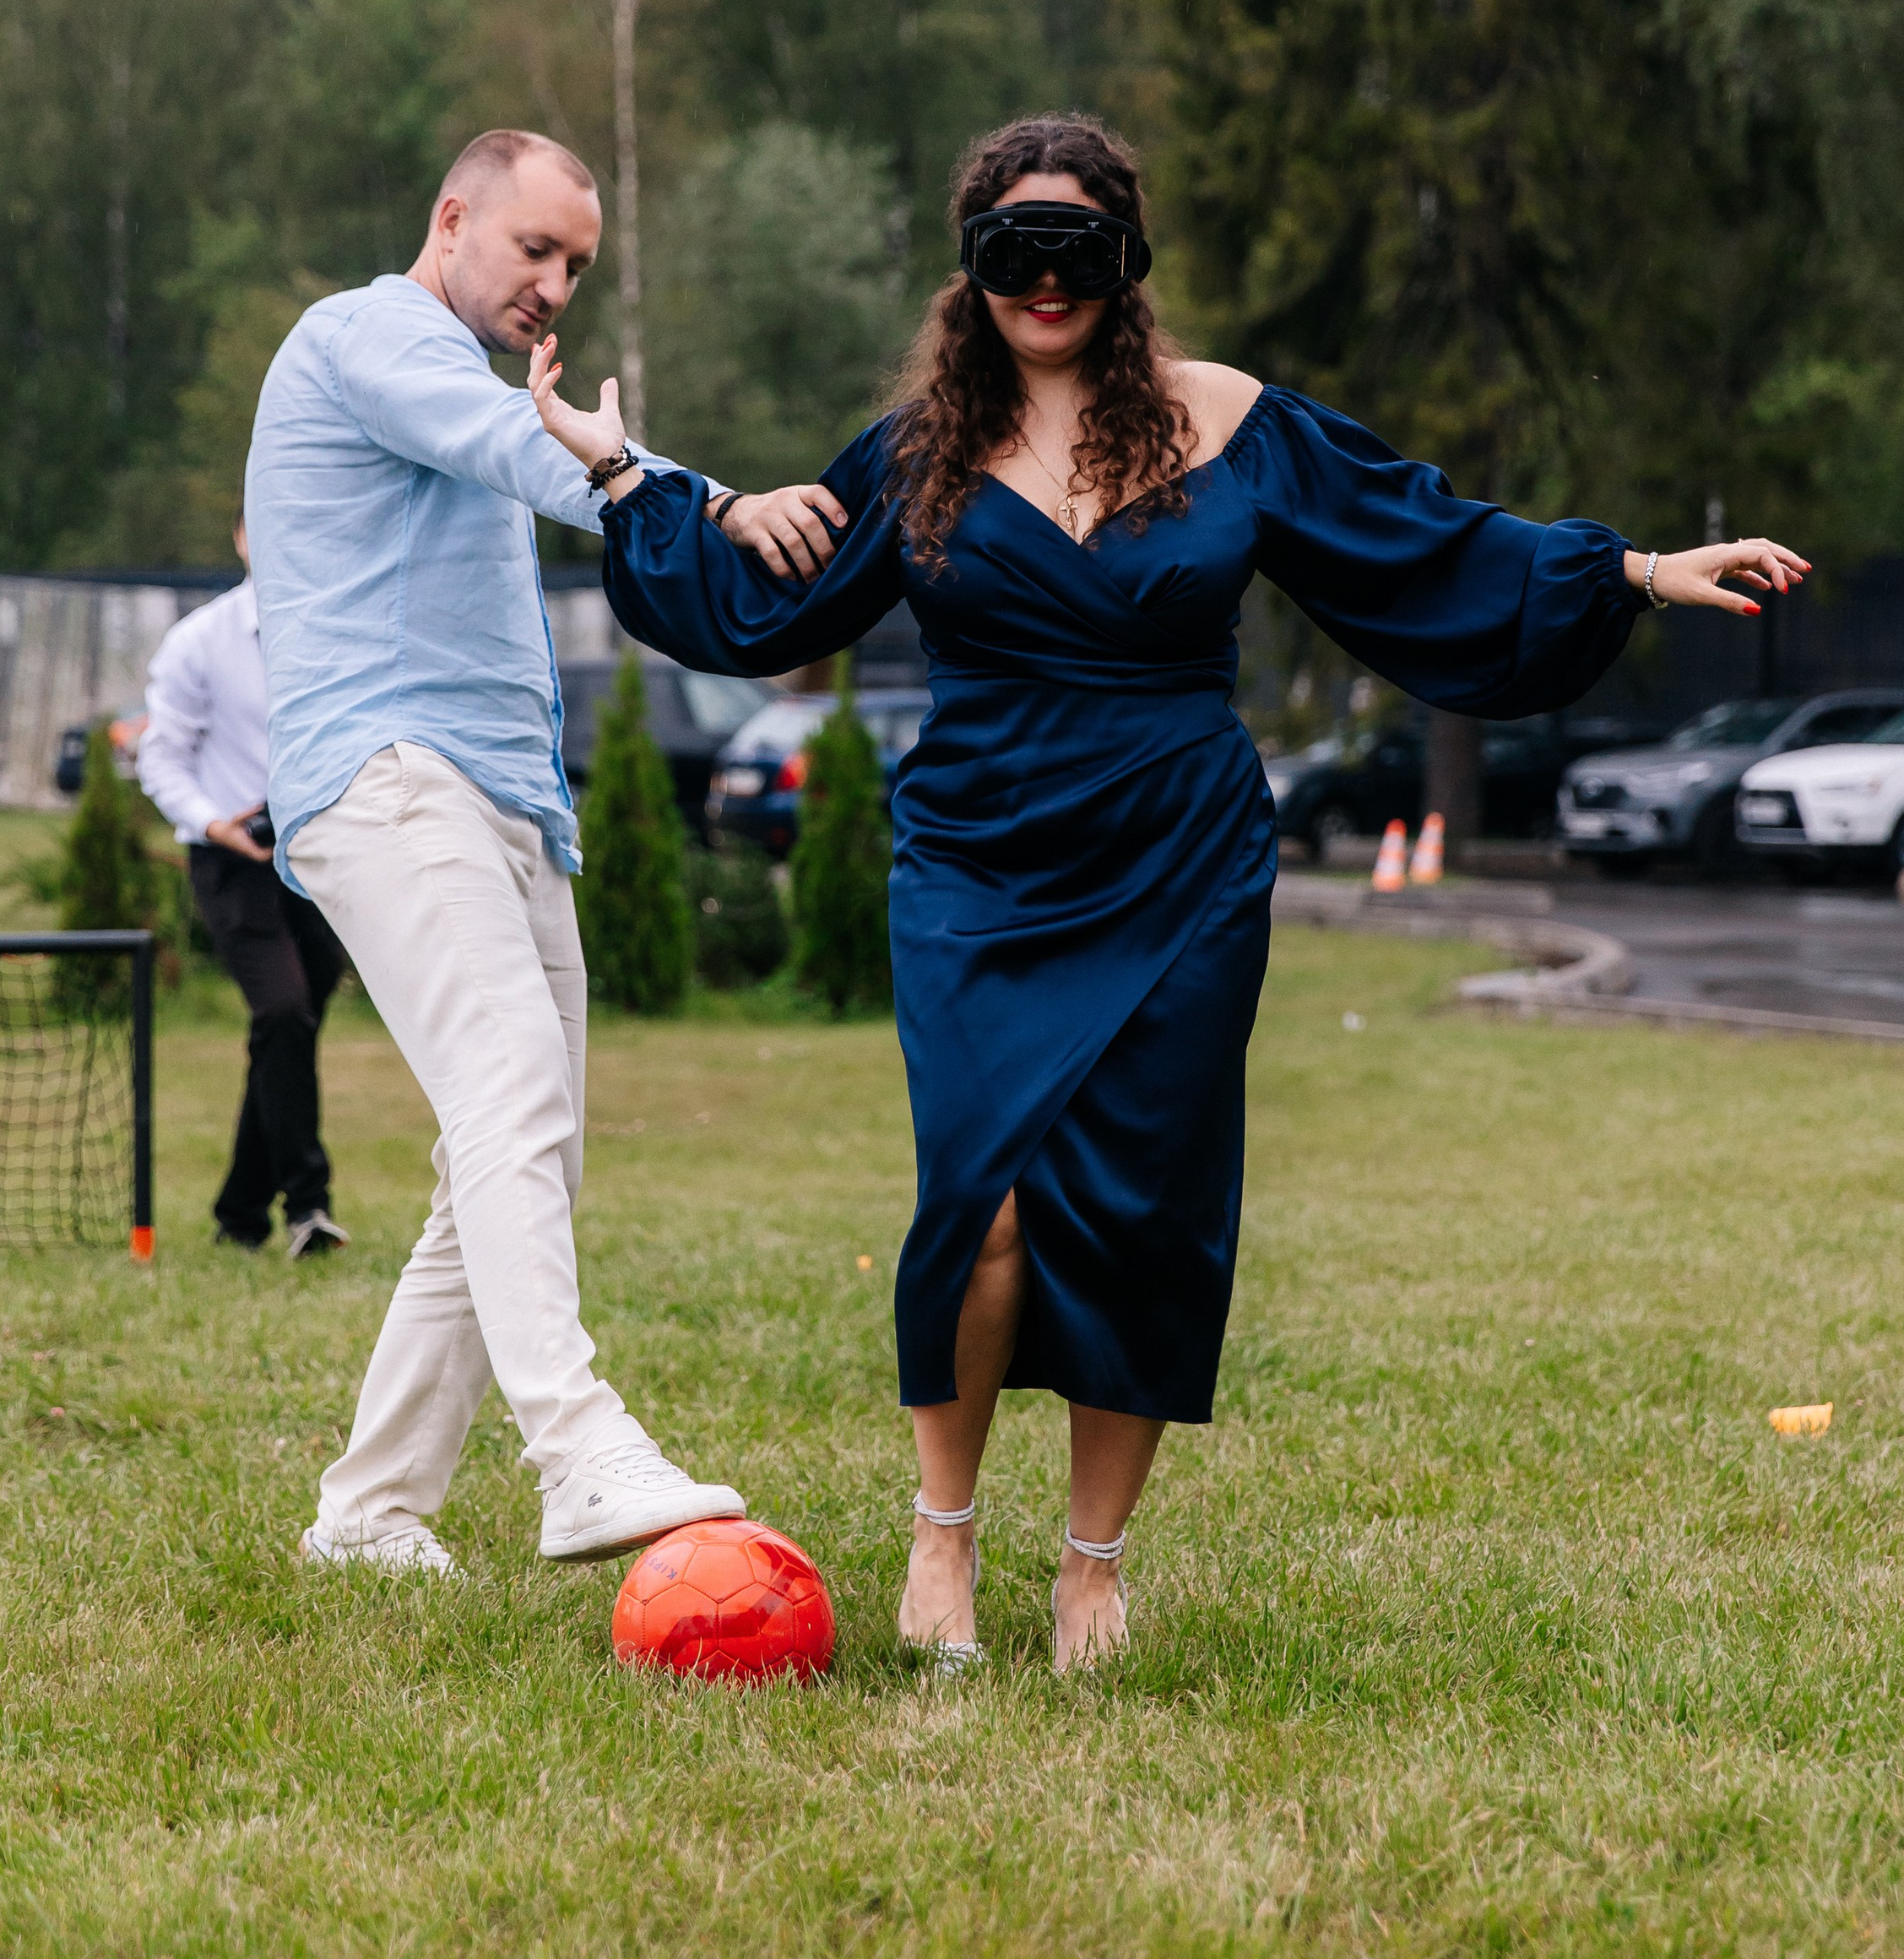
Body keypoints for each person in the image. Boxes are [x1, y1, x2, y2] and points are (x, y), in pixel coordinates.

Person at [529, 111, 1809, 1670]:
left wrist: (1640, 572)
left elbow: (1426, 543)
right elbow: (757, 598)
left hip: (1182, 862)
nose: (1045, 282)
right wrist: (627, 473)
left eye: (1077, 250)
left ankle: (1093, 1565)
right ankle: (944, 1530)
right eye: (1014, 250)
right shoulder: (919, 449)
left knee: (1142, 1210)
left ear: (1126, 261)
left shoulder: (1232, 421)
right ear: (971, 266)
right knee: (980, 1207)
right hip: (980, 861)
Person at [247, 128, 842, 1577]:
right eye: (535, 250)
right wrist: (699, 500)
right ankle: (577, 1453)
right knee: (511, 1097)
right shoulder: (368, 339)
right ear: (452, 219)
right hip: (393, 776)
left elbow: (561, 447)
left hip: (506, 800)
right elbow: (525, 447)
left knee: (518, 1155)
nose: (556, 287)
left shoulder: (471, 375)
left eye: (577, 264)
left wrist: (715, 502)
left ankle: (369, 1515)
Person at [138, 516, 349, 1260]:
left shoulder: (335, 627)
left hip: (318, 853)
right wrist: (211, 823)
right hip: (233, 859)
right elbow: (159, 757)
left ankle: (238, 1215)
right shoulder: (201, 641)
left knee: (288, 1029)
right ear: (239, 539)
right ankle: (308, 1205)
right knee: (284, 1012)